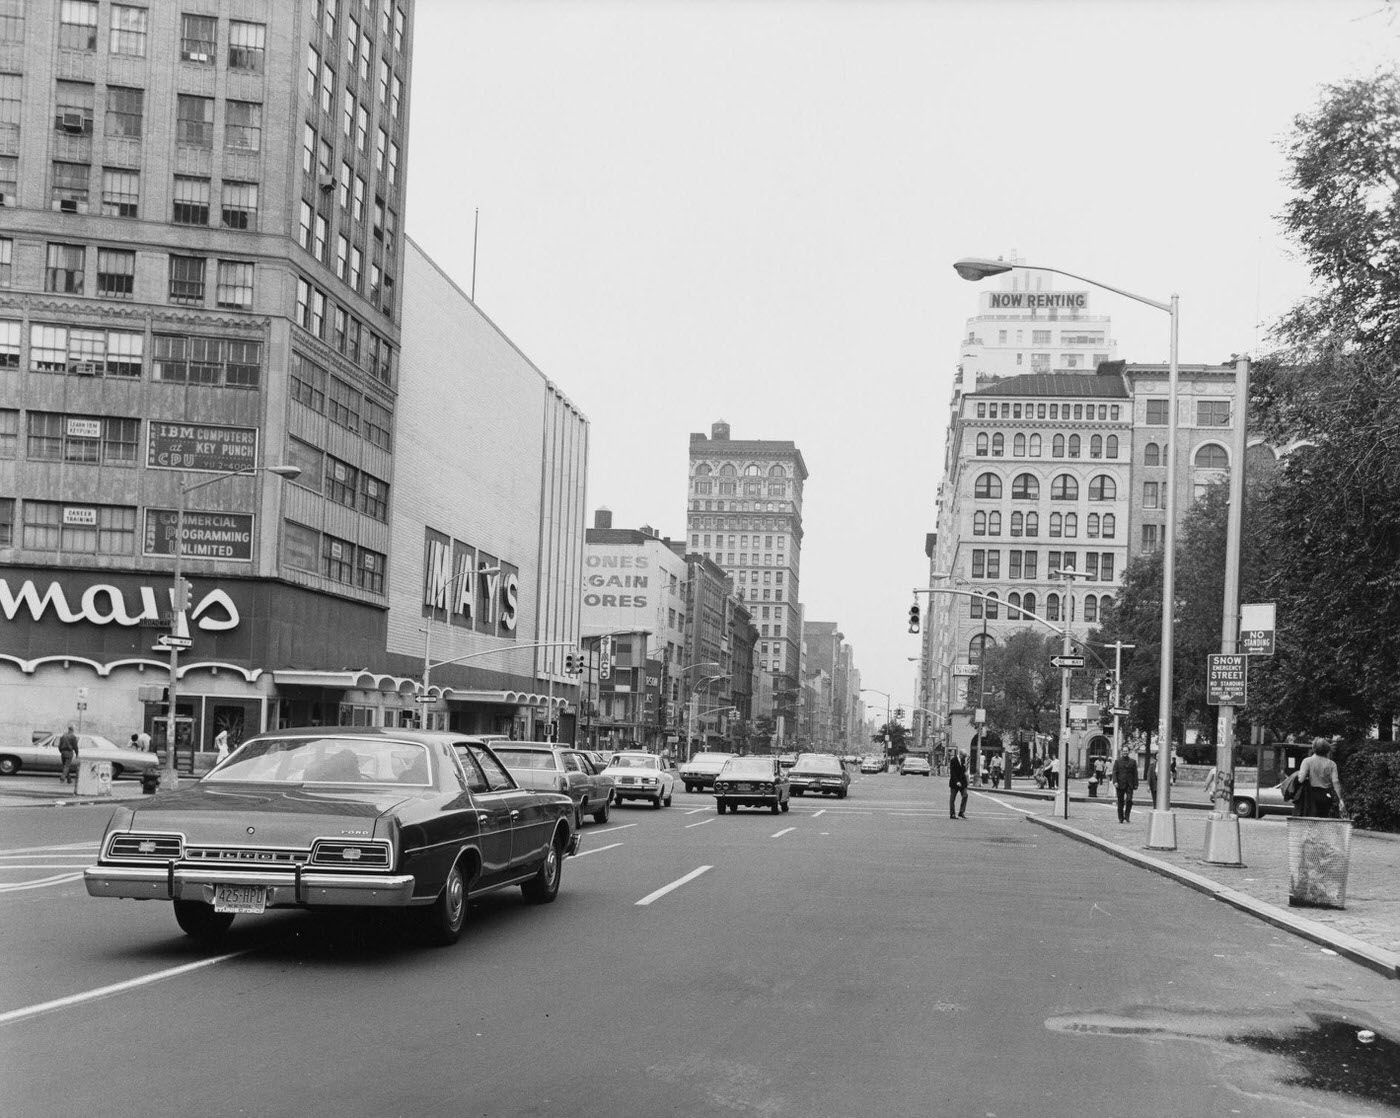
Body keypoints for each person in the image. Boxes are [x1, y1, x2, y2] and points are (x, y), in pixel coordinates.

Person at [1294, 737, 1346, 818]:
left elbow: (1301, 779)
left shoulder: (1307, 761)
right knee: (1323, 820)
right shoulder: (1332, 764)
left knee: (1310, 821)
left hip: (1310, 796)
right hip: (1326, 795)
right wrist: (1340, 799)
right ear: (1327, 750)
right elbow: (1336, 782)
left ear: (1313, 748)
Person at [1111, 750, 1139, 823]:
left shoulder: (1133, 762)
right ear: (1122, 752)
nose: (1125, 752)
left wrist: (1136, 784)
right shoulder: (1118, 761)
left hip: (1130, 784)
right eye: (1124, 751)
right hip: (1120, 784)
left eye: (1126, 751)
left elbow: (1135, 773)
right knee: (1120, 801)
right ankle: (1120, 817)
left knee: (1129, 800)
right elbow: (1114, 772)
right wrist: (1115, 781)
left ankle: (1127, 815)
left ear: (1128, 752)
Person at [948, 749, 969, 819]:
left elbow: (964, 772)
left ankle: (961, 812)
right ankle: (952, 814)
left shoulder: (964, 761)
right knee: (952, 798)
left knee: (965, 795)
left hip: (962, 782)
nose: (964, 757)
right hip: (954, 782)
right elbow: (952, 772)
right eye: (964, 756)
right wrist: (957, 781)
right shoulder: (953, 760)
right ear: (960, 754)